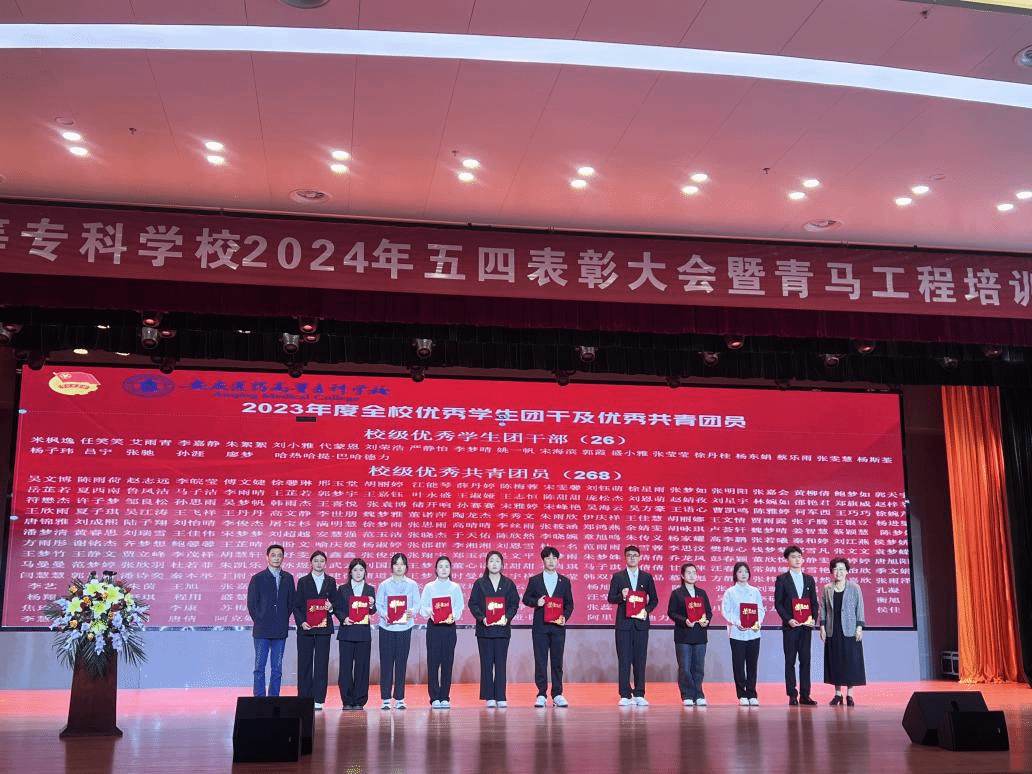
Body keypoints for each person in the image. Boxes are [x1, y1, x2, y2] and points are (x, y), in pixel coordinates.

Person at [522, 546, 575, 707]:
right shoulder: (535, 580)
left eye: (554, 558)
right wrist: (536, 602)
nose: (551, 561)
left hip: (557, 627)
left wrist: (564, 617)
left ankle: (557, 694)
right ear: (543, 560)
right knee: (541, 661)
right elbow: (526, 599)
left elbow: (569, 604)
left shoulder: (564, 581)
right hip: (540, 627)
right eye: (548, 558)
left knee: (557, 661)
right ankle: (541, 694)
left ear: (558, 561)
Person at [606, 545, 659, 706]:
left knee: (640, 659)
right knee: (624, 659)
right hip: (624, 624)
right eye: (629, 555)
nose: (632, 558)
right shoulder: (618, 577)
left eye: (635, 555)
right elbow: (610, 598)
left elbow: (654, 599)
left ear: (640, 557)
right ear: (625, 557)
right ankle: (625, 694)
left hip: (641, 624)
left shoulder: (646, 577)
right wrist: (621, 597)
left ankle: (639, 693)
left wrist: (646, 610)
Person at [468, 550, 521, 708]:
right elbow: (473, 603)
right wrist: (482, 618)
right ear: (486, 564)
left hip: (502, 630)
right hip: (484, 630)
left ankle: (501, 696)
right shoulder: (479, 583)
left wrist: (507, 617)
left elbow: (514, 604)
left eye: (497, 561)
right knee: (486, 664)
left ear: (502, 564)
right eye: (491, 561)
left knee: (500, 663)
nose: (494, 564)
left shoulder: (508, 583)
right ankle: (489, 696)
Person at [247, 543, 296, 697]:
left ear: (283, 558)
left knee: (277, 669)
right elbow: (252, 604)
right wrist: (260, 619)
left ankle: (274, 698)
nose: (276, 558)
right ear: (267, 557)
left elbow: (291, 602)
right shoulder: (258, 578)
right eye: (273, 555)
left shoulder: (288, 578)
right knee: (259, 668)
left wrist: (282, 618)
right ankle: (259, 699)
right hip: (262, 630)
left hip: (280, 629)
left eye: (279, 555)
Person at [774, 545, 820, 706]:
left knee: (806, 661)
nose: (797, 559)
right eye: (793, 557)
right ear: (787, 560)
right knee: (790, 661)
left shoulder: (809, 579)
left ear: (803, 559)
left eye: (799, 556)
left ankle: (805, 695)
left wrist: (813, 619)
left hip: (806, 627)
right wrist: (788, 619)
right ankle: (792, 694)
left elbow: (814, 602)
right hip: (791, 627)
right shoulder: (782, 579)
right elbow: (778, 603)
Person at [375, 552, 421, 710]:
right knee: (386, 663)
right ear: (391, 567)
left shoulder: (412, 585)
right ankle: (386, 698)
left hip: (404, 627)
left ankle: (400, 698)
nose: (399, 567)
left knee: (401, 662)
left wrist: (411, 612)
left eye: (402, 564)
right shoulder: (384, 585)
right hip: (387, 628)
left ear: (406, 567)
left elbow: (417, 604)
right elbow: (378, 604)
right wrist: (384, 614)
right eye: (396, 564)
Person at [292, 550, 336, 710]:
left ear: (325, 563)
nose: (318, 563)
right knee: (304, 663)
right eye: (316, 560)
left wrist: (331, 607)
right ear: (310, 563)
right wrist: (301, 622)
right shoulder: (303, 581)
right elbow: (297, 605)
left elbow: (335, 602)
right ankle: (304, 698)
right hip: (306, 628)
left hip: (324, 629)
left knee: (321, 664)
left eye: (321, 561)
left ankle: (319, 699)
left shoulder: (331, 581)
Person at [420, 555, 465, 709]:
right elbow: (423, 608)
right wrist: (430, 611)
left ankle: (445, 696)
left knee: (447, 663)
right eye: (441, 566)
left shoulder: (455, 587)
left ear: (450, 569)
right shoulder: (429, 587)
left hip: (449, 628)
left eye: (447, 566)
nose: (444, 569)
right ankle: (434, 698)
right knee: (433, 663)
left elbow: (459, 607)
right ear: (436, 569)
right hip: (434, 628)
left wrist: (453, 616)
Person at [820, 557, 866, 706]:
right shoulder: (827, 588)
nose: (838, 572)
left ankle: (850, 695)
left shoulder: (854, 587)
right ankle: (837, 694)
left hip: (850, 630)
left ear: (847, 571)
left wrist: (859, 627)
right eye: (835, 569)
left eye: (841, 569)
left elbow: (860, 608)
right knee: (835, 661)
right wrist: (822, 627)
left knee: (850, 662)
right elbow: (823, 609)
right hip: (833, 630)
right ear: (831, 571)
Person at [332, 557, 376, 709]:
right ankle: (347, 700)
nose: (358, 573)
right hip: (347, 632)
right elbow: (337, 608)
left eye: (361, 570)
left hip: (363, 634)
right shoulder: (342, 589)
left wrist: (372, 604)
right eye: (355, 570)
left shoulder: (369, 589)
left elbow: (372, 611)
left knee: (362, 668)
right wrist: (343, 618)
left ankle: (359, 700)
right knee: (345, 668)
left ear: (365, 572)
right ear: (350, 572)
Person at [667, 562, 713, 706]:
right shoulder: (677, 593)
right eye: (689, 572)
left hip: (700, 634)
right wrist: (684, 621)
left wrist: (707, 621)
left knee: (698, 667)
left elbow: (708, 612)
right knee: (685, 667)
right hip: (684, 635)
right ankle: (687, 694)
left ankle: (698, 694)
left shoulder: (702, 593)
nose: (692, 575)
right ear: (682, 575)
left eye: (694, 572)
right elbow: (671, 612)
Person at [721, 561, 765, 706]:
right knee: (739, 665)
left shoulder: (755, 591)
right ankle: (742, 694)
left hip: (753, 633)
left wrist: (757, 622)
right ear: (735, 574)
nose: (743, 574)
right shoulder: (730, 592)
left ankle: (752, 693)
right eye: (740, 571)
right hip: (737, 633)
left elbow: (760, 610)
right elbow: (725, 611)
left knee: (752, 664)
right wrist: (737, 622)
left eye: (746, 571)